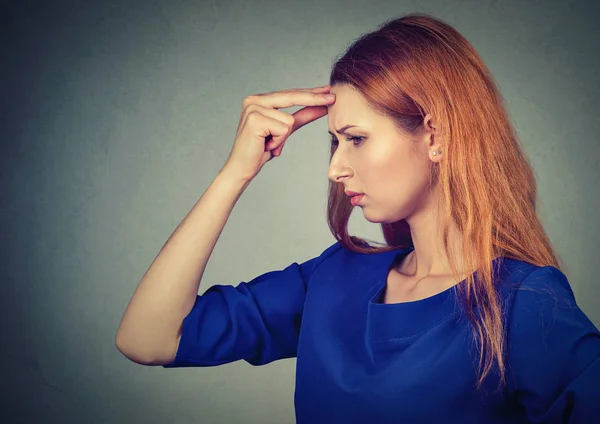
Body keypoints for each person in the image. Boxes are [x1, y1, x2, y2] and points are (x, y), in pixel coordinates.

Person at [115, 13, 600, 423]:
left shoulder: (523, 303)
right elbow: (149, 338)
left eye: (357, 138)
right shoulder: (335, 276)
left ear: (435, 134)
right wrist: (233, 176)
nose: (335, 168)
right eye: (334, 141)